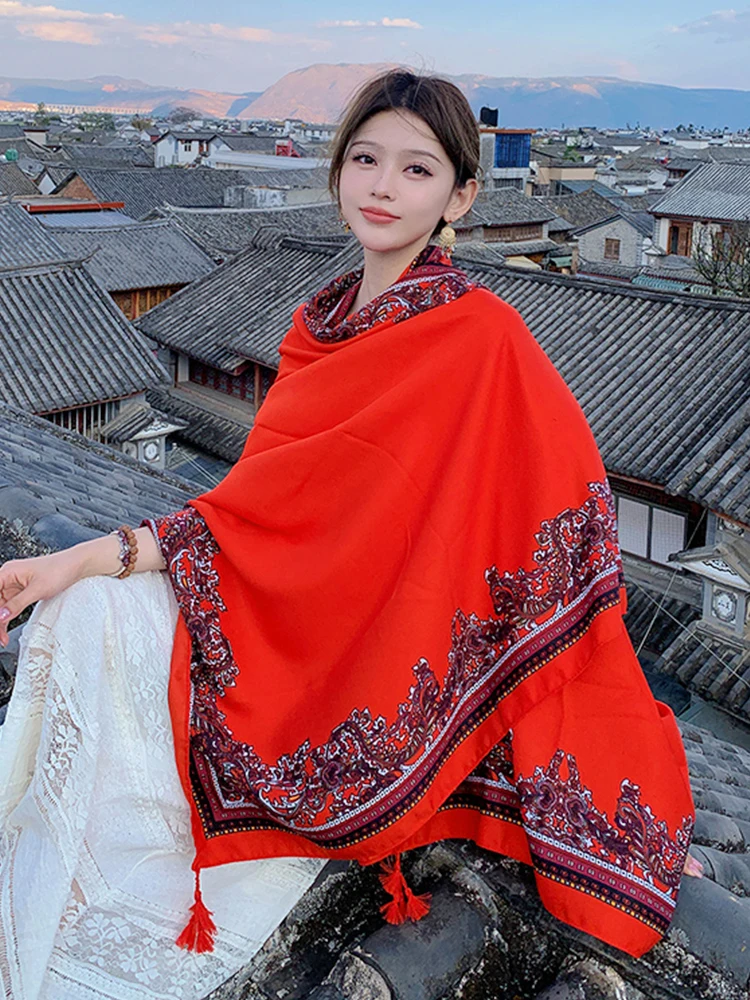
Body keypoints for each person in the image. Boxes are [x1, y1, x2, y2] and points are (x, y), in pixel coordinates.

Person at [0, 69, 703, 998]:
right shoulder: (313, 328)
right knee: (85, 617)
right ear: (337, 171)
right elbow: (265, 512)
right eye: (365, 159)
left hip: (390, 638)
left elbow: (563, 524)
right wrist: (86, 557)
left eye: (416, 170)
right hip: (303, 610)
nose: (381, 186)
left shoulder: (484, 339)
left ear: (459, 196)